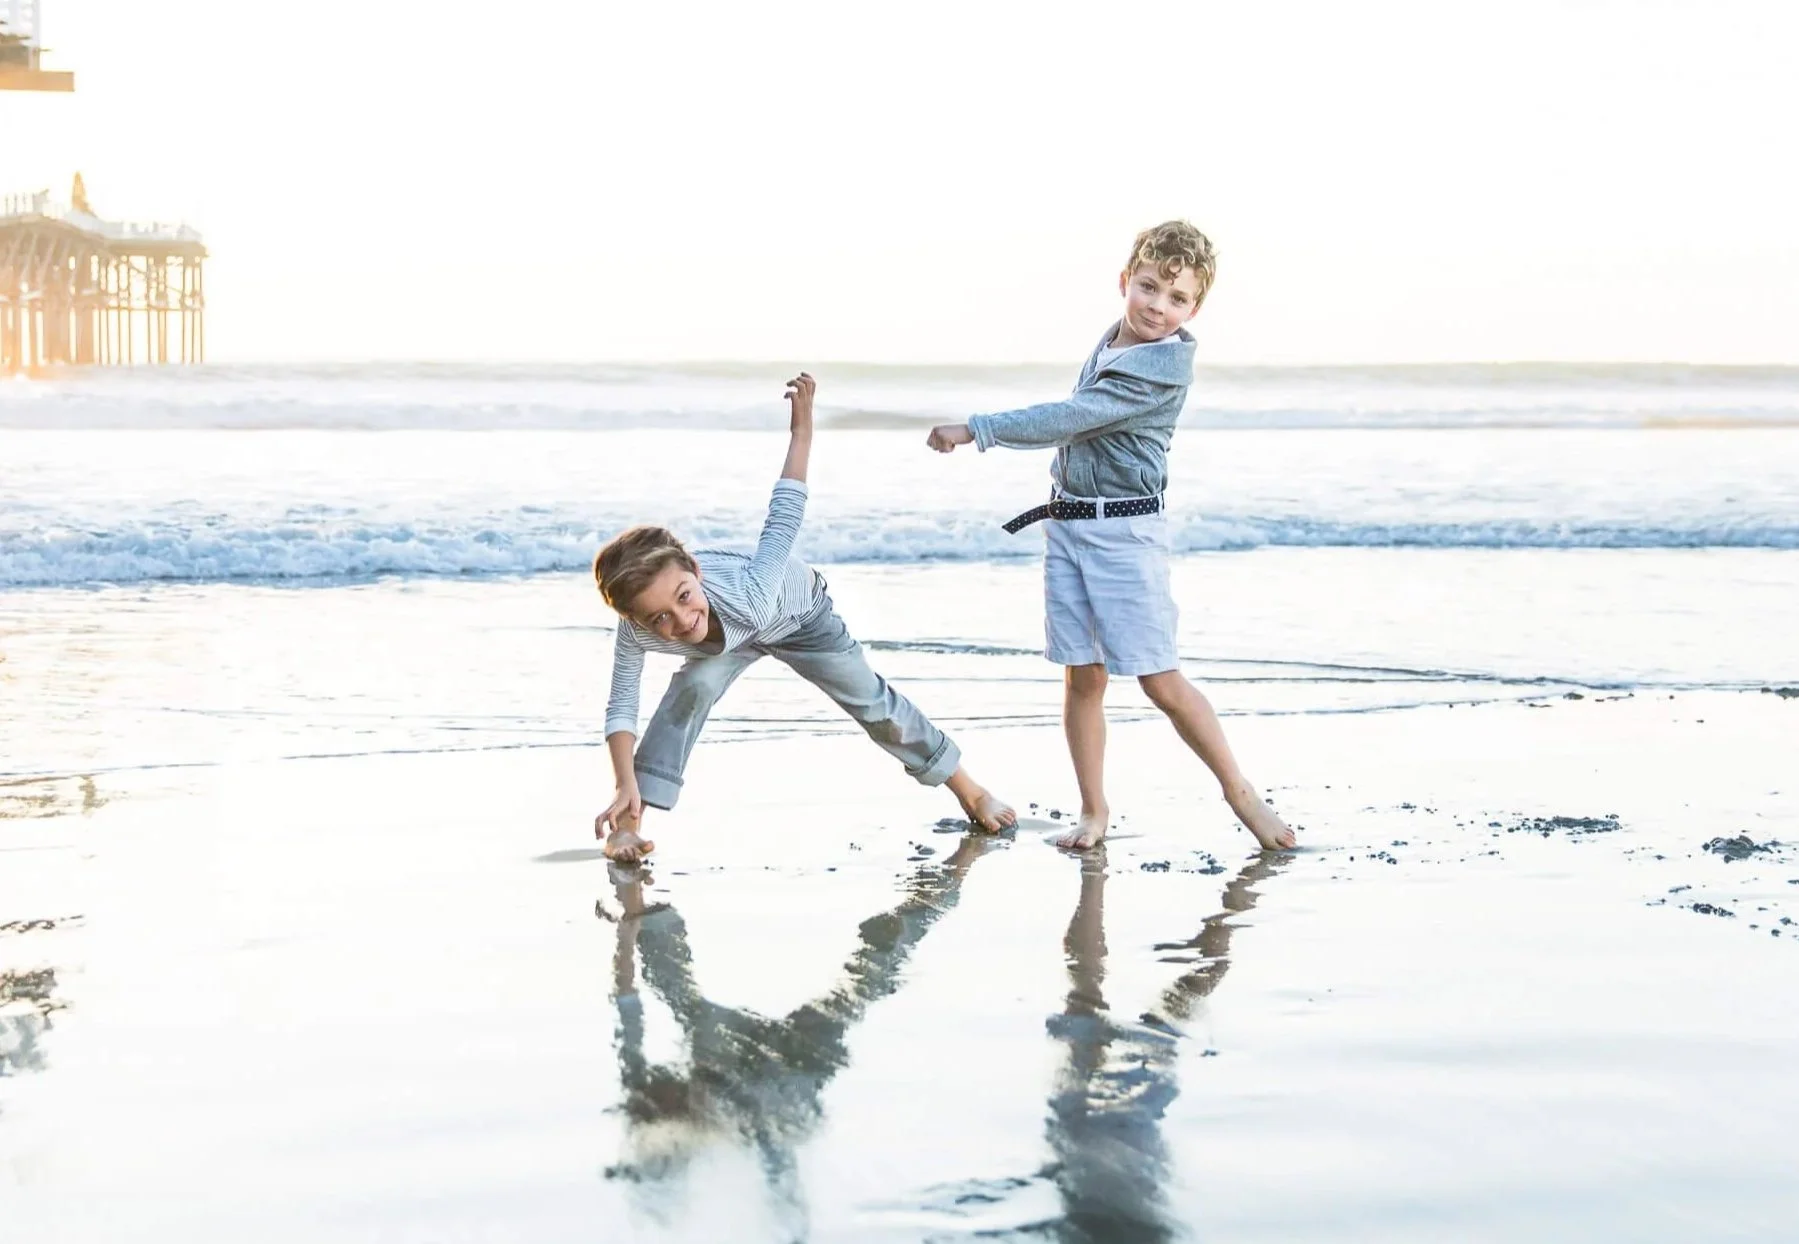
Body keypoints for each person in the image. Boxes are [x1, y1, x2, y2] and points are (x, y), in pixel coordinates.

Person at [925, 222, 1295, 852]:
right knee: (1082, 677)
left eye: (1176, 299)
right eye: (1149, 287)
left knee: (1159, 679)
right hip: (1069, 525)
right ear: (1126, 282)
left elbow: (1073, 417)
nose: (1158, 306)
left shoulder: (1164, 365)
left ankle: (1242, 796)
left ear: (1194, 308)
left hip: (1125, 535)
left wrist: (976, 428)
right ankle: (1093, 814)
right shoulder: (1113, 341)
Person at [595, 372, 1015, 863]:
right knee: (691, 690)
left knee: (873, 704)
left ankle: (970, 789)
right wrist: (623, 780)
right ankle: (628, 826)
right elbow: (621, 706)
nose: (681, 621)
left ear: (694, 571)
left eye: (685, 597)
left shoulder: (747, 591)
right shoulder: (637, 629)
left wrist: (802, 433)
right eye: (658, 619)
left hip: (797, 615)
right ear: (635, 620)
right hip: (729, 639)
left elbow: (784, 514)